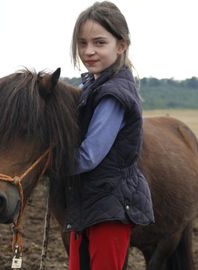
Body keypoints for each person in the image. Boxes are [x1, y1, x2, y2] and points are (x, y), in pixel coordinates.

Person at [65, 2, 155, 270]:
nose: (88, 51)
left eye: (99, 42)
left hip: (110, 207)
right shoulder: (91, 85)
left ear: (121, 45)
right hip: (90, 202)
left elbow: (89, 156)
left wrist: (52, 164)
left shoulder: (112, 95)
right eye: (82, 43)